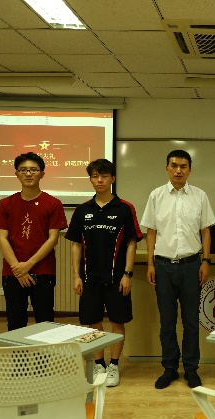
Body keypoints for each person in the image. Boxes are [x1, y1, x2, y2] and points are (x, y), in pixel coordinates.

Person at [141, 150, 215, 390]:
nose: (178, 170)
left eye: (183, 166)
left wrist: (205, 261)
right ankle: (170, 368)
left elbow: (206, 231)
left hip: (191, 266)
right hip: (163, 266)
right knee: (167, 322)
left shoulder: (199, 196)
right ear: (167, 168)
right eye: (174, 165)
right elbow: (151, 231)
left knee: (191, 321)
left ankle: (191, 369)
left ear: (189, 170)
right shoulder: (156, 196)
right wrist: (150, 263)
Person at [65, 159, 143, 387]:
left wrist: (127, 274)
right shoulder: (82, 210)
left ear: (113, 179)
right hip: (90, 279)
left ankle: (114, 365)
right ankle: (99, 363)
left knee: (117, 322)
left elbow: (131, 242)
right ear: (90, 179)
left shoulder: (125, 208)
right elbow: (76, 245)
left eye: (104, 176)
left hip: (117, 279)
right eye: (95, 176)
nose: (99, 180)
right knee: (94, 323)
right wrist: (76, 276)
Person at [0, 152, 67, 332]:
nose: (28, 174)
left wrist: (28, 265)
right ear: (16, 174)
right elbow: (2, 238)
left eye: (33, 170)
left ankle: (43, 353)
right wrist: (17, 268)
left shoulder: (53, 203)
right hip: (13, 272)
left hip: (43, 271)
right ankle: (19, 353)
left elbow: (53, 239)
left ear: (42, 174)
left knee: (45, 324)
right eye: (23, 170)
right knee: (15, 323)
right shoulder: (5, 203)